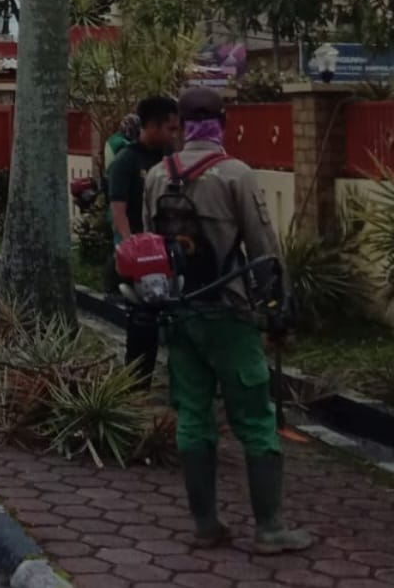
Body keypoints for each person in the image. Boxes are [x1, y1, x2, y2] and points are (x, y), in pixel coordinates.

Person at [144, 85, 310, 556]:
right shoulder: (236, 174)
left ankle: (205, 524)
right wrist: (279, 308)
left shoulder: (157, 175)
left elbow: (151, 247)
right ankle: (270, 529)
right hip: (228, 313)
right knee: (256, 416)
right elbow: (264, 254)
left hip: (179, 314)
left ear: (180, 124)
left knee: (193, 416)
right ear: (224, 123)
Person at [106, 95, 180, 388]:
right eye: (170, 129)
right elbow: (118, 211)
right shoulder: (126, 160)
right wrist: (131, 250)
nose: (174, 135)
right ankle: (136, 386)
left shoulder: (170, 159)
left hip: (168, 252)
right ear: (151, 125)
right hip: (140, 256)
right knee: (142, 324)